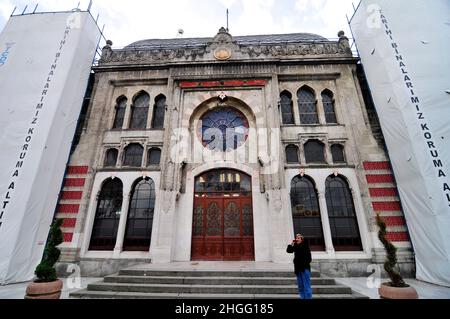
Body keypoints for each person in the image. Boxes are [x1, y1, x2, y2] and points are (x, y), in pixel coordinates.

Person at [286, 233, 312, 299]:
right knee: (300, 286)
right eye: (296, 238)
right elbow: (289, 251)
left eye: (298, 238)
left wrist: (303, 264)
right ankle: (302, 298)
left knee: (306, 286)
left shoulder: (305, 246)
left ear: (302, 239)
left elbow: (309, 259)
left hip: (304, 269)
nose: (297, 239)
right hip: (298, 269)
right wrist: (292, 243)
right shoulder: (296, 246)